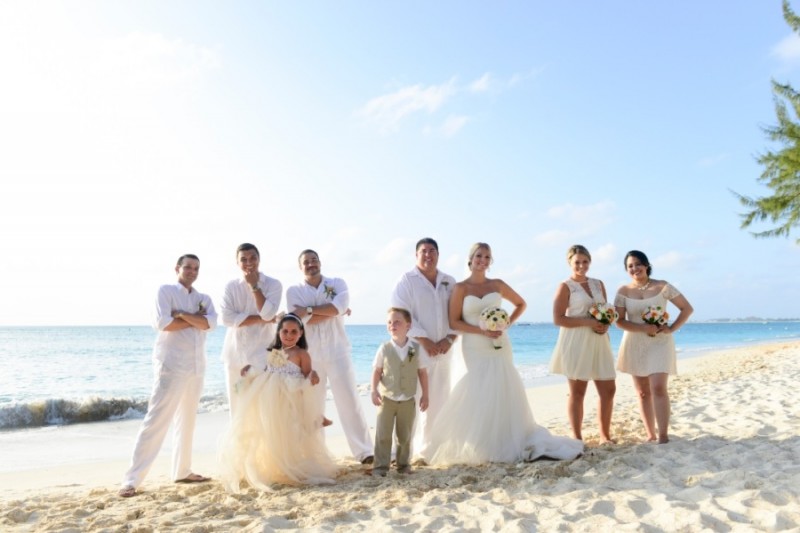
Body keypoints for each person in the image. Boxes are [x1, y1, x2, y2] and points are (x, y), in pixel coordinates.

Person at [422, 243, 584, 464]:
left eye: (487, 257)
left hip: (499, 343)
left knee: (503, 384)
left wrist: (506, 324)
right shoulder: (460, 288)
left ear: (491, 261)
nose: (483, 260)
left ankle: (506, 439)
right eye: (479, 256)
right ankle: (482, 443)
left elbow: (520, 304)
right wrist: (482, 330)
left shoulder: (497, 284)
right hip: (475, 345)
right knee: (479, 388)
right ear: (470, 259)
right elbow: (454, 322)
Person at [119, 254, 217, 498]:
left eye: (196, 268)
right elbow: (164, 323)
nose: (192, 271)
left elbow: (211, 324)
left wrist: (182, 315)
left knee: (187, 420)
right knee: (157, 420)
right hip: (172, 364)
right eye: (188, 267)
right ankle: (131, 480)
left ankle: (182, 471)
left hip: (196, 365)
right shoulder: (165, 291)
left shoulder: (204, 298)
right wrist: (194, 320)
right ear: (177, 268)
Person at [218, 314, 338, 491]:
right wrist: (250, 370)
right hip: (272, 399)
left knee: (290, 432)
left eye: (293, 332)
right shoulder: (274, 352)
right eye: (285, 331)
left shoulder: (301, 354)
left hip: (290, 398)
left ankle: (294, 460)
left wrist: (313, 376)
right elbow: (267, 372)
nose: (289, 335)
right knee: (273, 432)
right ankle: (277, 466)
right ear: (279, 332)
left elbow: (307, 375)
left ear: (300, 333)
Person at [286, 249, 374, 464]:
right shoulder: (294, 291)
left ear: (320, 262)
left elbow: (337, 308)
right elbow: (298, 321)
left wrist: (309, 310)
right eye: (306, 262)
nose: (311, 264)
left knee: (349, 401)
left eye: (314, 260)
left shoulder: (337, 283)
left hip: (338, 350)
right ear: (300, 267)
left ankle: (364, 451)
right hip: (311, 355)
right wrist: (326, 311)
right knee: (313, 405)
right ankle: (315, 455)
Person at [614, 250, 694, 444]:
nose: (635, 268)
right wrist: (642, 328)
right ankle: (650, 434)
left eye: (638, 264)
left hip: (660, 343)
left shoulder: (662, 286)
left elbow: (687, 308)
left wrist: (671, 328)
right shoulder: (623, 291)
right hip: (634, 343)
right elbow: (619, 321)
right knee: (642, 392)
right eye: (630, 266)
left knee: (658, 387)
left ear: (647, 265)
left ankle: (663, 435)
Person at [390, 237, 456, 453]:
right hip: (415, 349)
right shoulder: (407, 281)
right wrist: (425, 340)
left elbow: (458, 314)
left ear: (438, 254)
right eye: (424, 251)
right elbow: (400, 313)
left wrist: (449, 339)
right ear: (416, 255)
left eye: (432, 251)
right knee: (411, 399)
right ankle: (402, 451)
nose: (428, 255)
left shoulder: (449, 281)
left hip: (443, 350)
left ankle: (430, 448)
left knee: (439, 400)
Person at [550, 245, 617, 443]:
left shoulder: (598, 284)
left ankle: (605, 436)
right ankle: (577, 438)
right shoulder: (565, 286)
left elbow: (605, 310)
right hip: (576, 341)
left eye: (585, 261)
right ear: (569, 263)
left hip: (599, 340)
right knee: (578, 392)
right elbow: (558, 319)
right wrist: (589, 323)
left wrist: (606, 325)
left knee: (609, 390)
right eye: (577, 262)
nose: (581, 265)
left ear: (590, 261)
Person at [220, 243, 282, 418]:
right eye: (244, 259)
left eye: (253, 257)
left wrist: (254, 286)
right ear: (237, 262)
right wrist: (261, 319)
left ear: (259, 259)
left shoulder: (273, 284)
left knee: (266, 408)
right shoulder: (231, 286)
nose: (249, 262)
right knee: (236, 409)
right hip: (235, 354)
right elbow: (226, 319)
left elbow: (268, 313)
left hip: (263, 355)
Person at [370, 308, 430, 477]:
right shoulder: (384, 348)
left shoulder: (414, 349)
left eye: (397, 322)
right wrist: (374, 390)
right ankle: (380, 467)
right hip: (386, 399)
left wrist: (425, 395)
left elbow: (422, 372)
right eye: (389, 322)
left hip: (407, 400)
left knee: (404, 436)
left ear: (408, 326)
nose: (392, 325)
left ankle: (403, 465)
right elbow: (377, 371)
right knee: (383, 435)